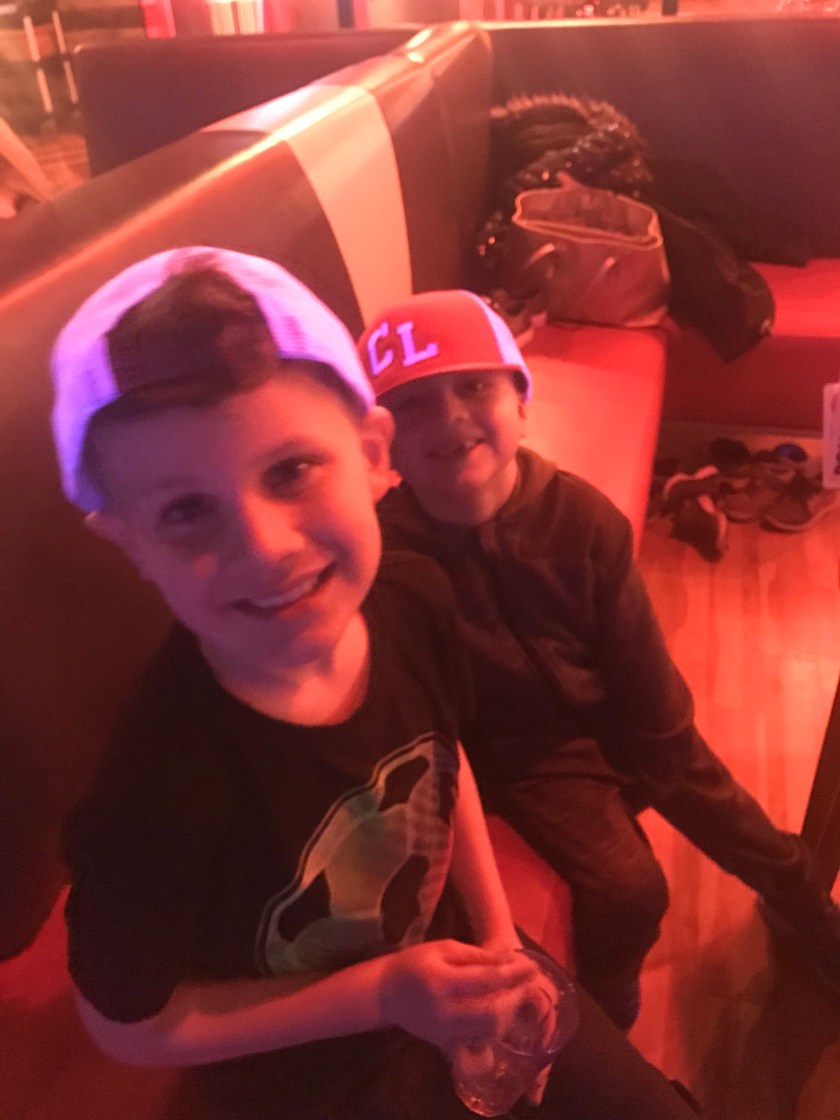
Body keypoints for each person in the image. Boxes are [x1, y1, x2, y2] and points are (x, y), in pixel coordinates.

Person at [50, 247, 703, 1120]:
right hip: (309, 1070)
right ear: (130, 542)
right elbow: (126, 1025)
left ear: (372, 455)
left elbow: (444, 760)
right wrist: (386, 994)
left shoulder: (413, 596)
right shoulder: (158, 786)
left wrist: (500, 940)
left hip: (445, 964)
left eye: (290, 471)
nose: (265, 546)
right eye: (186, 510)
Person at [358, 288, 840, 1031]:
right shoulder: (387, 559)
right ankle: (609, 1005)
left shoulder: (581, 520)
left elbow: (642, 676)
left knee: (719, 801)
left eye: (474, 387)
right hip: (522, 755)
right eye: (413, 404)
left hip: (618, 713)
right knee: (632, 889)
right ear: (380, 443)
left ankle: (801, 902)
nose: (449, 417)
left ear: (521, 402)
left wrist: (660, 759)